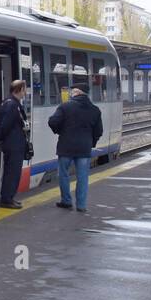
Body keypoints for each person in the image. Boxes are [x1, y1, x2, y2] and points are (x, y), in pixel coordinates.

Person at [48, 82, 103, 213]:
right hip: (84, 148)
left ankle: (66, 201)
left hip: (66, 146)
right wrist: (91, 142)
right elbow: (99, 131)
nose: (71, 94)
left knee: (63, 174)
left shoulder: (65, 107)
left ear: (77, 92)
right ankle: (81, 205)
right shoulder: (95, 110)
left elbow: (53, 122)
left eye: (72, 92)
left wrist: (59, 131)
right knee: (83, 177)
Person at [0, 79, 29, 209]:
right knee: (12, 172)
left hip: (14, 143)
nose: (25, 92)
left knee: (13, 172)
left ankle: (9, 197)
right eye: (24, 89)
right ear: (19, 90)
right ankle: (7, 199)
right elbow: (5, 125)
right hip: (13, 144)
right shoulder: (11, 105)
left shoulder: (11, 103)